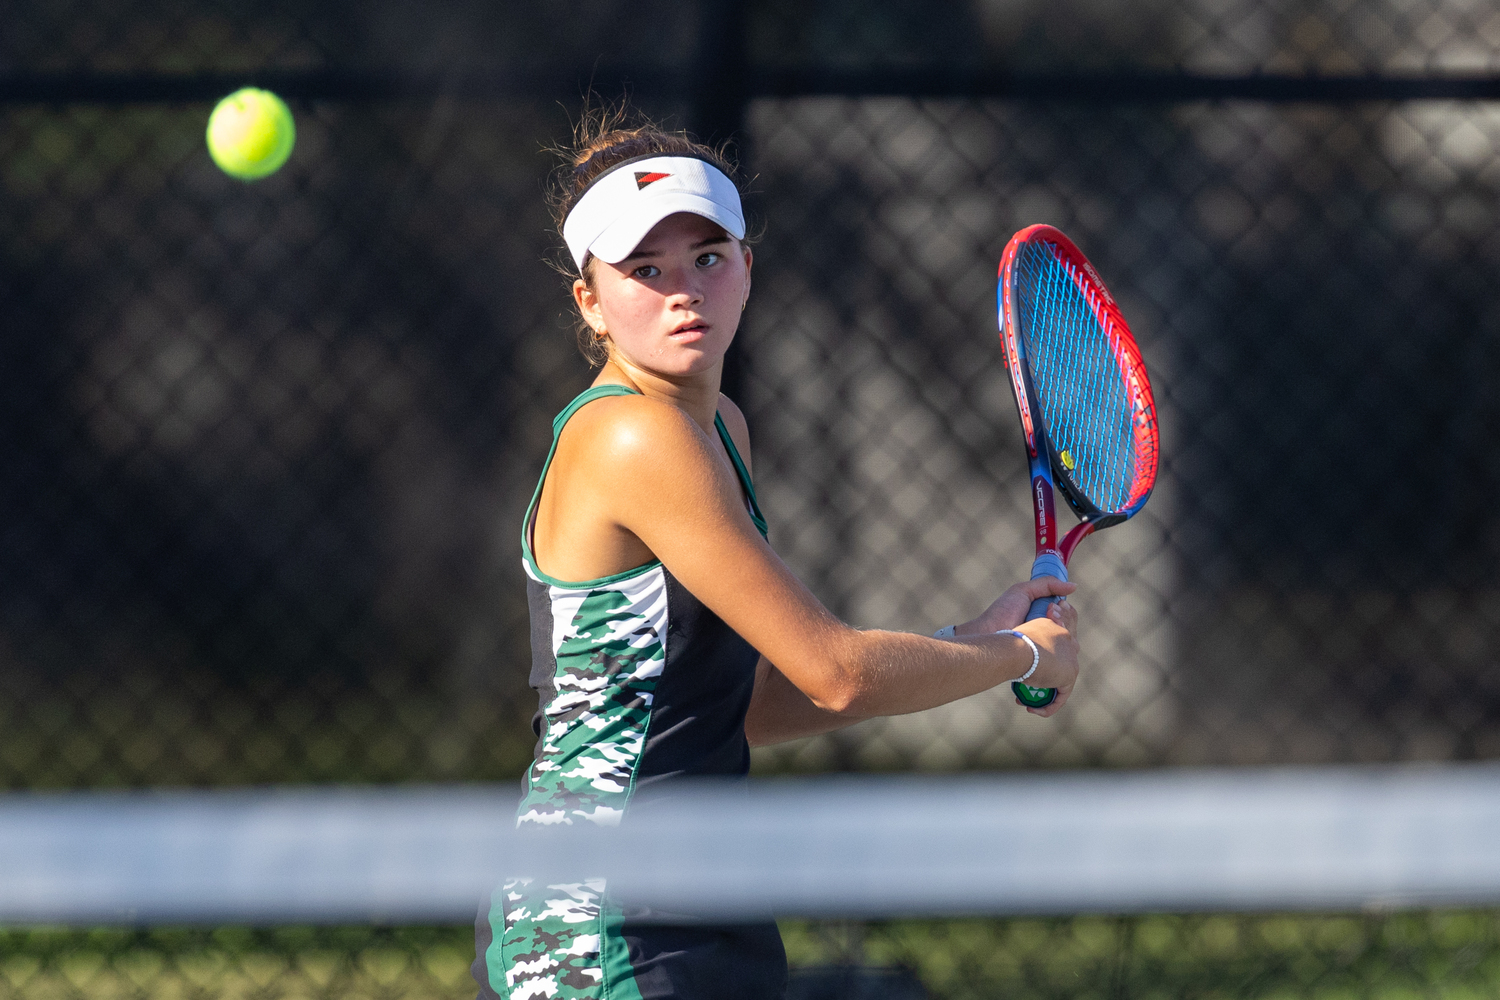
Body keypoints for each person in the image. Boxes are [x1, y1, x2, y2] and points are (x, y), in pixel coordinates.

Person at [472, 111, 1079, 1000]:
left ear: (748, 268)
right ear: (590, 303)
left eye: (708, 259)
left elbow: (750, 705)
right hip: (600, 919)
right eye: (645, 270)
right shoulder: (636, 438)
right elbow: (840, 674)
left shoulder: (716, 426)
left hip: (694, 894)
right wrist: (1022, 655)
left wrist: (969, 636)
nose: (683, 291)